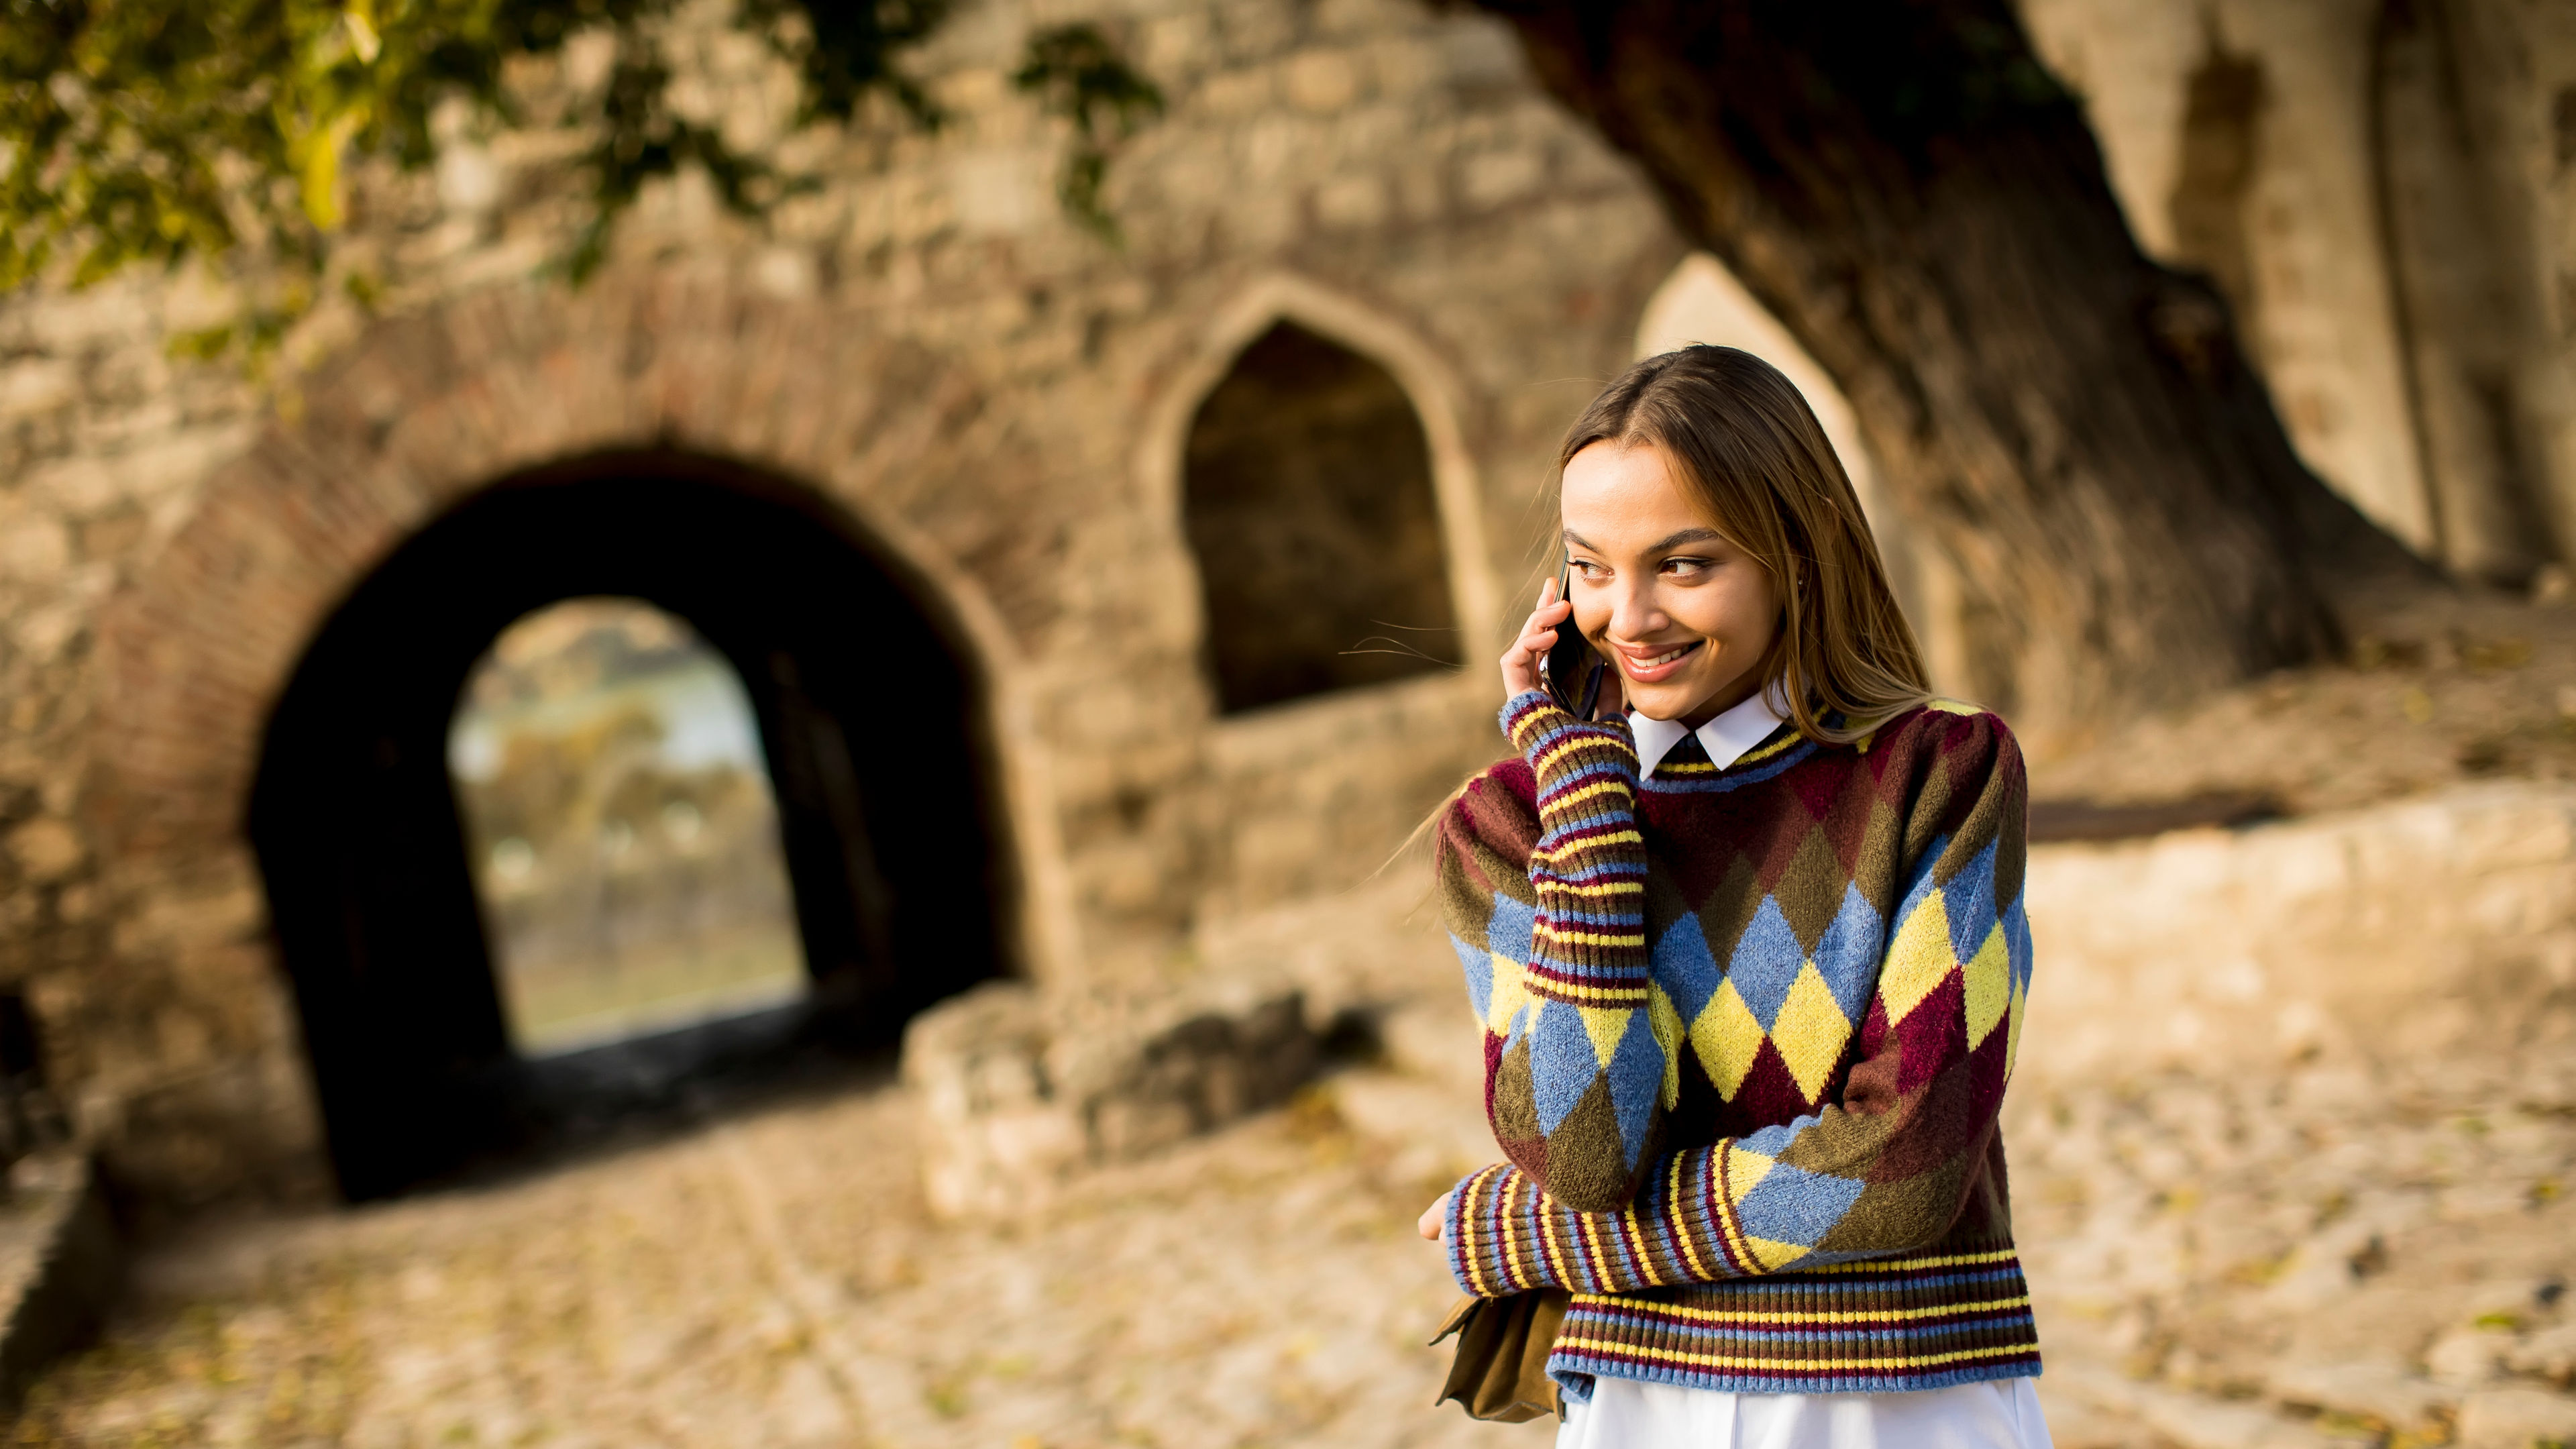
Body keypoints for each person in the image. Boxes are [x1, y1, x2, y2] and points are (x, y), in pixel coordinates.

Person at [1417, 346, 2051, 1448]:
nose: (1628, 616)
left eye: (1686, 564)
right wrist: (1591, 823)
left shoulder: (1940, 777)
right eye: (1590, 567)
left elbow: (1907, 1169)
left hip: (1901, 1401)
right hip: (1637, 1408)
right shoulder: (1509, 828)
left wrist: (1540, 1234)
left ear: (1795, 555)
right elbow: (1583, 1159)